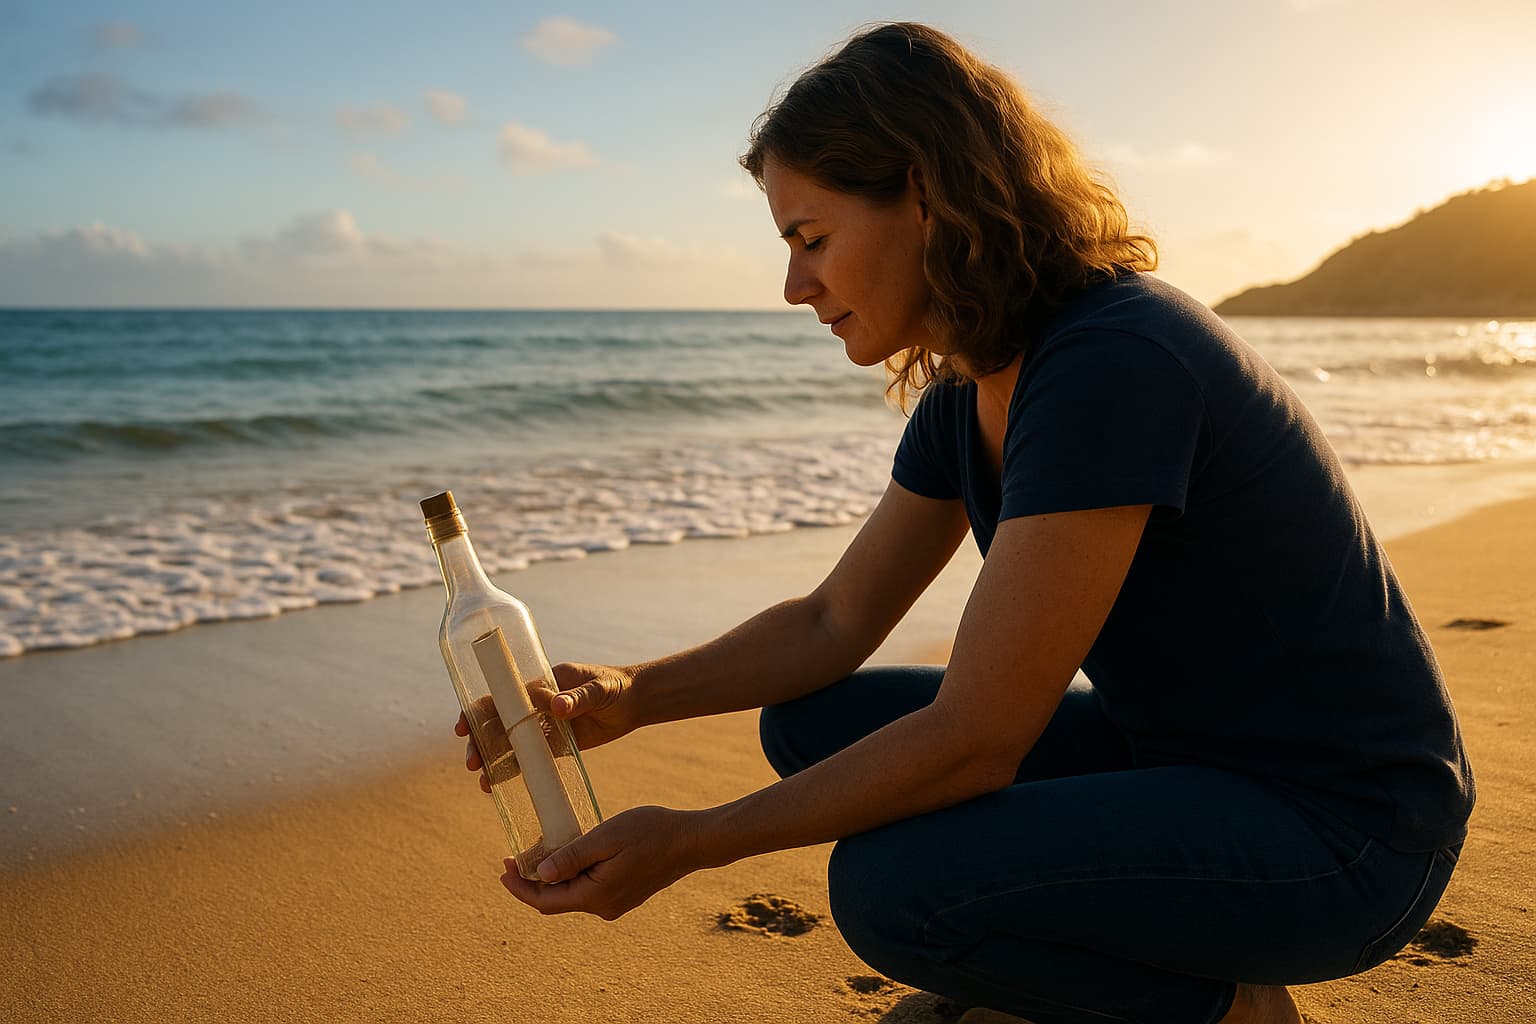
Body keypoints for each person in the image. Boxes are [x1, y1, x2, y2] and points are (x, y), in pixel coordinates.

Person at [454, 22, 1474, 1024]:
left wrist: (693, 840)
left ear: (929, 195)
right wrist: (632, 695)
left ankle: (1226, 1006)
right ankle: (1081, 963)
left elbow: (978, 740)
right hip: (1179, 759)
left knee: (895, 889)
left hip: (1347, 832)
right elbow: (828, 626)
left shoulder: (1111, 360)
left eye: (813, 239)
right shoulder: (970, 392)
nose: (793, 285)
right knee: (812, 721)